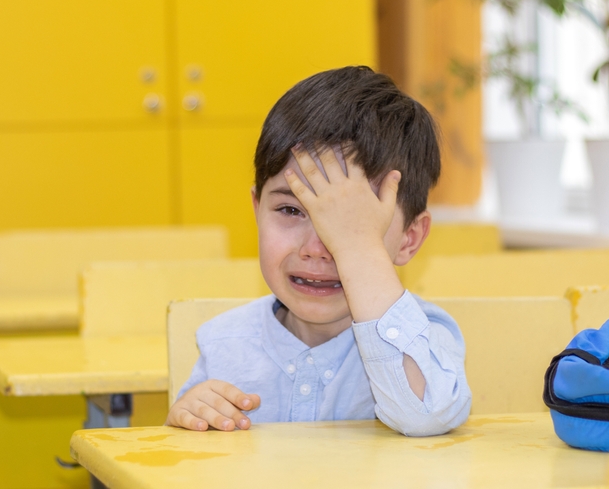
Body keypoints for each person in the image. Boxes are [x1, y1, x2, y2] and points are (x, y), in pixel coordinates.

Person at [167, 66, 472, 437]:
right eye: (291, 211)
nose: (317, 249)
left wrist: (358, 249)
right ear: (257, 210)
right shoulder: (224, 343)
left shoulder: (423, 337)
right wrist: (189, 418)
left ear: (409, 238)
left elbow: (426, 415)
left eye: (351, 223)